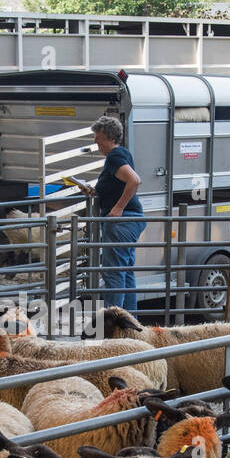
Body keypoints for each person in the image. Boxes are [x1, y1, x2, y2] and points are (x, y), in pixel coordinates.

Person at [84, 115, 146, 312]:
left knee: (113, 273)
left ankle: (113, 324)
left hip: (122, 222)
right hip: (130, 220)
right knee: (125, 272)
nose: (95, 141)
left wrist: (118, 208)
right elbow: (119, 185)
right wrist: (95, 191)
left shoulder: (114, 157)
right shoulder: (122, 154)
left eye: (98, 136)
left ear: (110, 137)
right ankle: (130, 322)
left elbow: (134, 180)